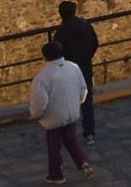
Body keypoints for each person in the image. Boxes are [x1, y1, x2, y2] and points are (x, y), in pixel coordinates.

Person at [26, 39, 91, 184]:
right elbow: (83, 89)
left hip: (53, 118)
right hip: (72, 112)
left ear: (45, 57)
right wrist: (77, 102)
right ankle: (83, 163)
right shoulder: (73, 67)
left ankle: (56, 174)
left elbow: (40, 102)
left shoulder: (41, 78)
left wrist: (34, 115)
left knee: (54, 146)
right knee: (71, 140)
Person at [54, 1, 99, 144]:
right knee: (87, 101)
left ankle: (69, 134)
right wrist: (87, 56)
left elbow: (57, 53)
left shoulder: (60, 32)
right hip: (85, 66)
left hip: (68, 70)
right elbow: (95, 43)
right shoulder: (86, 26)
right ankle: (89, 133)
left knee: (68, 102)